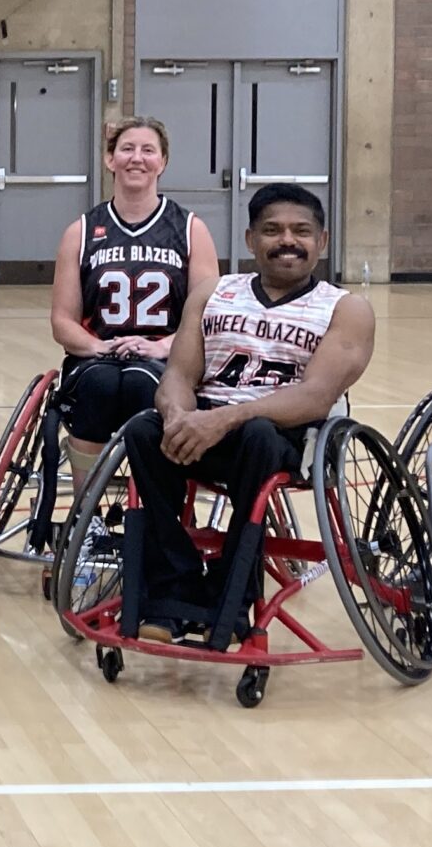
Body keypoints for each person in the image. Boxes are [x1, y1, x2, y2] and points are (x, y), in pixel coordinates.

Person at [116, 184, 371, 650]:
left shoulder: (346, 308)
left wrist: (223, 420)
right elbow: (178, 374)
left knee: (256, 433)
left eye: (302, 232)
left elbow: (316, 396)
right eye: (272, 231)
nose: (287, 241)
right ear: (251, 239)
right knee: (143, 429)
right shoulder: (214, 293)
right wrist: (177, 416)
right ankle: (177, 584)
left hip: (288, 438)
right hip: (206, 429)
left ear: (323, 241)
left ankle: (231, 598)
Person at [49, 117, 220, 497]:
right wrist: (101, 347)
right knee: (99, 385)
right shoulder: (81, 231)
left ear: (163, 162)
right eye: (126, 149)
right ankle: (85, 515)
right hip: (96, 359)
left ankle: (156, 512)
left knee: (147, 387)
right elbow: (63, 320)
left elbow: (207, 317)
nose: (136, 159)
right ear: (110, 160)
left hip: (165, 359)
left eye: (148, 150)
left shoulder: (191, 229)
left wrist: (162, 346)